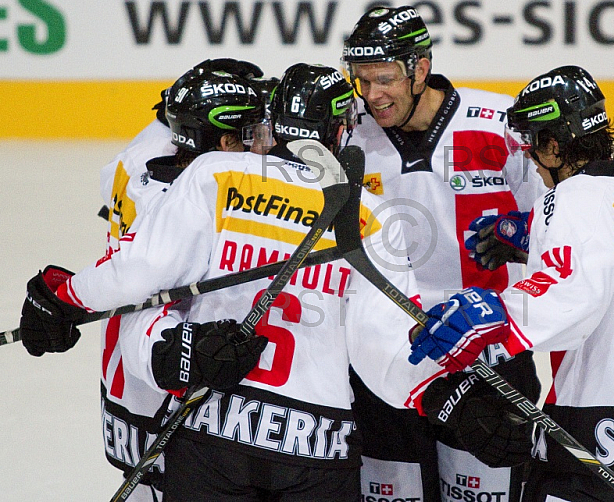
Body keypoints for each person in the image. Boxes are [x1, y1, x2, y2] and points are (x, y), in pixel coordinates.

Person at [19, 62, 443, 502]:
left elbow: (137, 275)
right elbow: (385, 355)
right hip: (318, 445)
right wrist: (445, 392)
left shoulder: (215, 174)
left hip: (211, 426)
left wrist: (68, 296)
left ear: (271, 124)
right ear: (339, 132)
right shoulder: (372, 214)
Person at [413, 65, 614, 502]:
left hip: (603, 435)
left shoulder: (567, 201)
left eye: (533, 148)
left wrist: (491, 313)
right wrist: (530, 234)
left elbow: (573, 296)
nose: (531, 163)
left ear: (553, 147)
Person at [24, 59, 269, 502]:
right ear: (224, 140)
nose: (262, 144)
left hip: (124, 389)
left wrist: (66, 296)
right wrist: (168, 353)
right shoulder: (186, 207)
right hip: (157, 398)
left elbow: (120, 174)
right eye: (249, 133)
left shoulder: (137, 166)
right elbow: (143, 294)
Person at [340, 5, 544, 502]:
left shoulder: (501, 125)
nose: (372, 95)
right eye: (361, 80)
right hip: (388, 354)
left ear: (420, 68)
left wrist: (523, 233)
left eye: (385, 78)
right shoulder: (348, 134)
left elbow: (562, 226)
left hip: (488, 349)